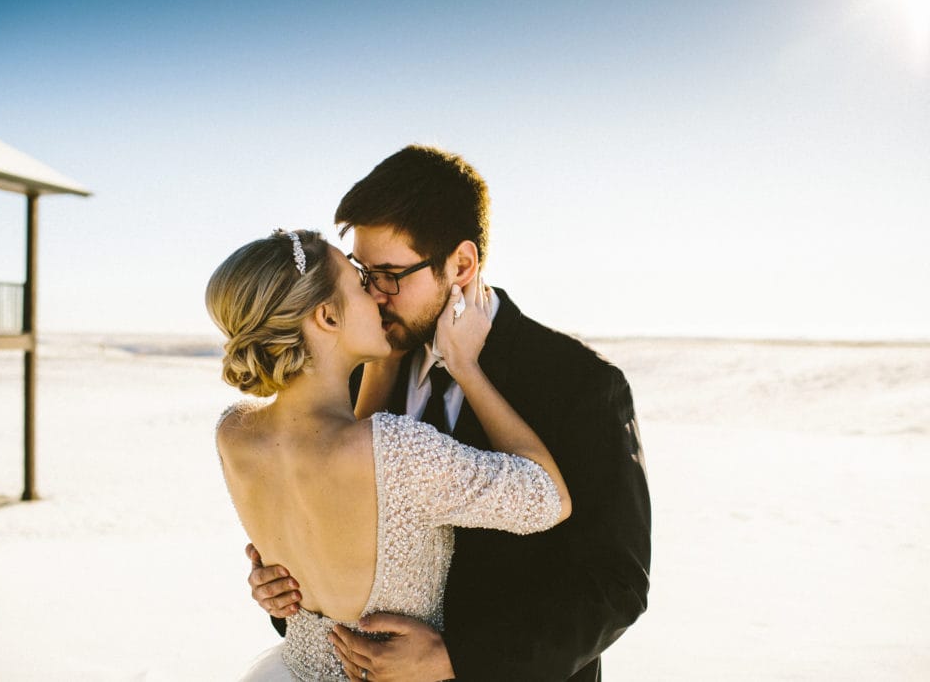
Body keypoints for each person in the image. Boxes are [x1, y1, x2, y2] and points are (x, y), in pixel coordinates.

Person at [248, 146, 651, 681]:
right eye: (364, 273)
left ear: (461, 265)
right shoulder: (352, 374)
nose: (373, 295)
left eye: (391, 274)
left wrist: (457, 657)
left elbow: (615, 585)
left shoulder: (581, 384)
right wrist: (286, 591)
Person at [207, 229, 572, 681]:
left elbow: (343, 462)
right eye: (361, 284)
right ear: (326, 316)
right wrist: (465, 365)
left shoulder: (234, 433)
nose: (379, 295)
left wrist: (382, 363)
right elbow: (547, 499)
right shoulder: (398, 451)